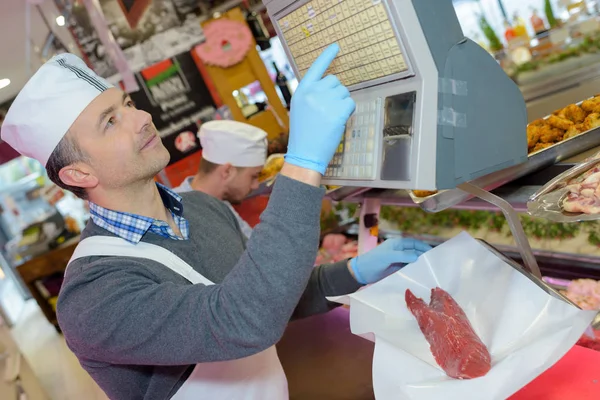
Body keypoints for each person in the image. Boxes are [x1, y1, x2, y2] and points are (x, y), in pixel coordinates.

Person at [1, 44, 431, 400]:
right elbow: (242, 319)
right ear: (79, 175)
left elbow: (272, 297)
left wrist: (351, 273)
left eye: (127, 103)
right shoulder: (92, 296)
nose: (142, 118)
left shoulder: (204, 209)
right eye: (111, 121)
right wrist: (302, 163)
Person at [173, 120, 267, 239]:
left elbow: (251, 246)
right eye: (253, 176)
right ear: (227, 171)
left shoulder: (220, 201)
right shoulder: (174, 212)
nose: (255, 185)